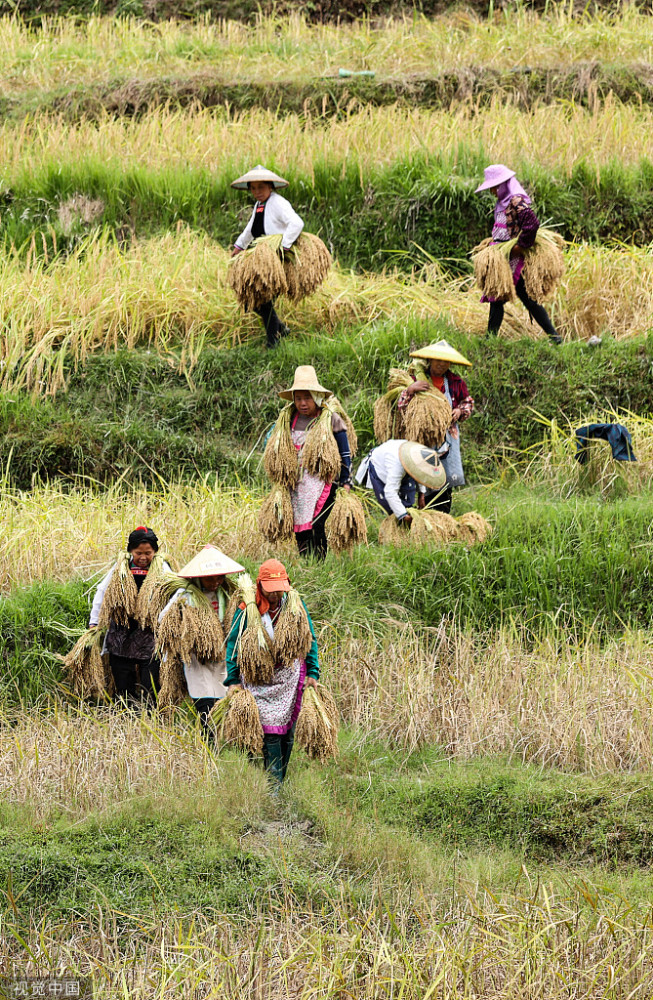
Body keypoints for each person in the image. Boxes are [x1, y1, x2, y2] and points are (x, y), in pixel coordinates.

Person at [225, 559, 319, 786]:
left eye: (280, 589)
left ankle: (280, 777)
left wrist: (313, 672)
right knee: (269, 731)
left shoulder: (294, 605)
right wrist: (233, 679)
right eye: (271, 590)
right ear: (259, 585)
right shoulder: (248, 609)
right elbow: (233, 644)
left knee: (287, 730)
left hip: (288, 677)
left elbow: (309, 638)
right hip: (259, 678)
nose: (276, 594)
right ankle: (273, 783)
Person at [263, 365, 355, 559]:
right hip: (297, 483)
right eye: (298, 398)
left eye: (307, 398)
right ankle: (306, 562)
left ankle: (319, 563)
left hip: (324, 482)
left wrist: (346, 480)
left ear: (317, 397)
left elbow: (344, 452)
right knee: (300, 527)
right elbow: (276, 447)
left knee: (317, 524)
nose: (303, 403)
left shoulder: (330, 419)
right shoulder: (288, 419)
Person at [155, 544, 245, 724]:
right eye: (210, 579)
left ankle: (221, 737)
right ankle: (208, 739)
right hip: (198, 658)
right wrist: (186, 628)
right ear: (199, 577)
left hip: (224, 655)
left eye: (219, 577)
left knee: (224, 695)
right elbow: (163, 620)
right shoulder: (185, 594)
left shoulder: (229, 594)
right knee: (204, 697)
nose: (215, 582)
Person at [475, 164, 562, 344]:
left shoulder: (516, 201)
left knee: (513, 298)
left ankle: (555, 338)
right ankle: (491, 340)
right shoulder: (502, 202)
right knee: (500, 296)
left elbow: (532, 224)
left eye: (494, 187)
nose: (492, 191)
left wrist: (520, 247)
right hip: (502, 255)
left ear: (504, 185)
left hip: (514, 257)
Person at [89, 526, 171, 704]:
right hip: (122, 630)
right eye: (138, 552)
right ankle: (126, 710)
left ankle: (150, 713)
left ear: (155, 551)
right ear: (130, 551)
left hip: (149, 631)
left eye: (148, 553)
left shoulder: (163, 569)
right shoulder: (120, 568)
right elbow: (102, 592)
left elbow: (176, 595)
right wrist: (94, 622)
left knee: (150, 678)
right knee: (122, 676)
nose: (142, 557)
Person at [231, 164, 304, 348]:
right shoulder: (260, 205)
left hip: (273, 258)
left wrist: (284, 246)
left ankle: (273, 342)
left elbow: (296, 223)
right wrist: (239, 247)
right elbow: (250, 229)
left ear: (270, 186)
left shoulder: (278, 203)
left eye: (261, 187)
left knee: (262, 300)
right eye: (253, 188)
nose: (257, 192)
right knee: (253, 299)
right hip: (260, 255)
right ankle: (280, 329)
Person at [398, 339, 475, 508]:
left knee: (444, 482)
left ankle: (442, 517)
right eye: (438, 360)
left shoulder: (455, 381)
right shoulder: (415, 379)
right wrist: (410, 390)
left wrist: (460, 411)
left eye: (446, 361)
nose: (442, 364)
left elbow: (468, 402)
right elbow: (400, 406)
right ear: (430, 360)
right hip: (422, 438)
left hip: (448, 439)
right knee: (420, 476)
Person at [356, 440, 447, 526]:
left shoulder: (418, 455)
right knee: (392, 509)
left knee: (408, 501)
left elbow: (420, 473)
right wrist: (403, 515)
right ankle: (395, 531)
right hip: (380, 465)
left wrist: (421, 494)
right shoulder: (396, 465)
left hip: (398, 462)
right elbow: (390, 492)